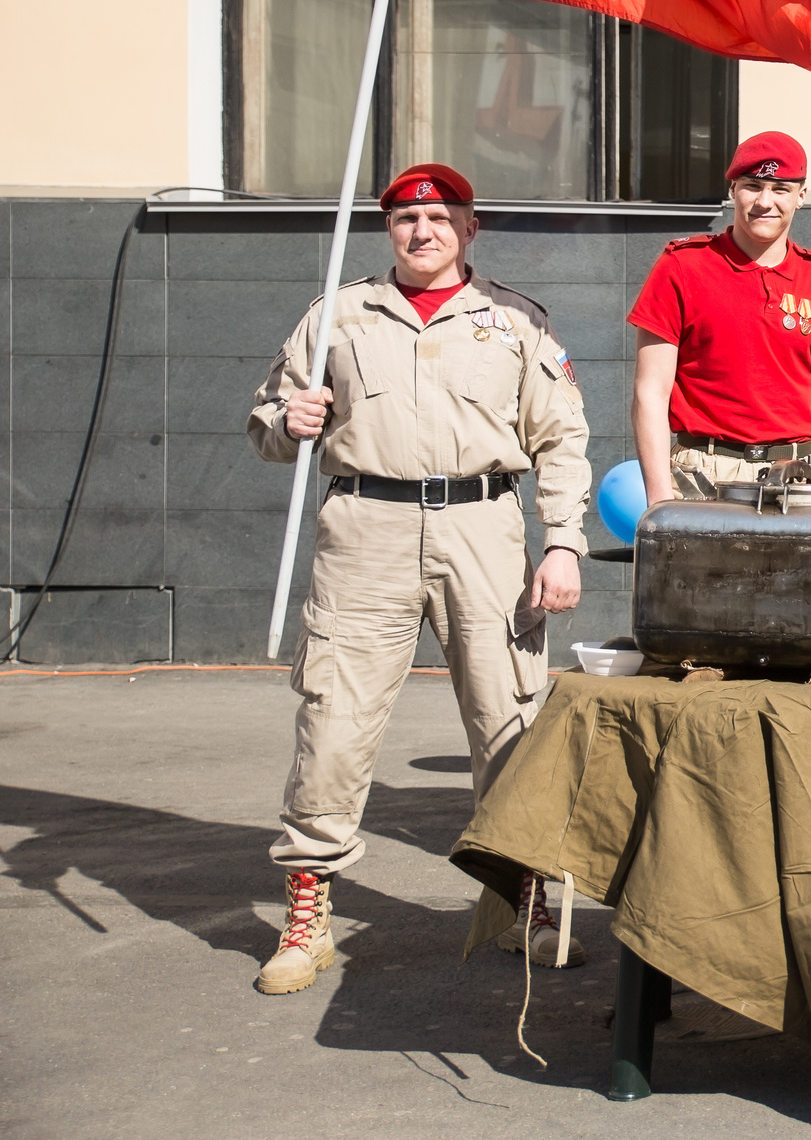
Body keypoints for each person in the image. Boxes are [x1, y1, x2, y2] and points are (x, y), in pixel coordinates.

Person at [246, 163, 592, 995]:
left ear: (469, 229)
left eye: (440, 216)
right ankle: (308, 913)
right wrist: (285, 421)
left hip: (484, 528)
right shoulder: (337, 313)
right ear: (388, 230)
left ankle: (523, 902)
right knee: (333, 720)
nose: (422, 230)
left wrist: (564, 543)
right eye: (406, 218)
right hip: (366, 526)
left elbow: (561, 437)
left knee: (509, 718)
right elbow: (265, 419)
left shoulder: (514, 322)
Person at [628, 130, 811, 512]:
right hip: (704, 475)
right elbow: (650, 393)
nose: (764, 202)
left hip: (797, 475)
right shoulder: (681, 267)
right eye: (752, 186)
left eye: (780, 189)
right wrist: (659, 497)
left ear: (801, 197)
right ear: (733, 189)